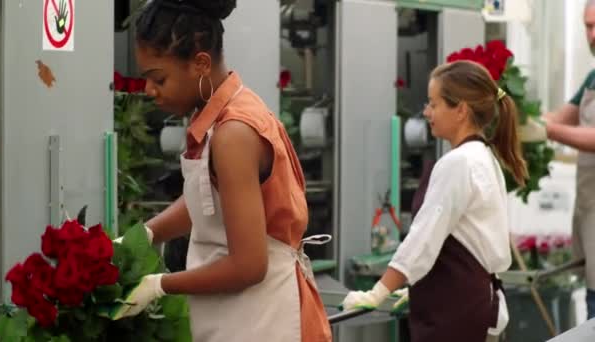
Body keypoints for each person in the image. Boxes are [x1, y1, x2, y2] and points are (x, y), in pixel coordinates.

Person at [112, 1, 333, 341]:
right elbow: (208, 198)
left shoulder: (233, 134)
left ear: (200, 63)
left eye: (159, 78)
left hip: (266, 321)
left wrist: (159, 285)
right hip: (242, 317)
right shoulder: (224, 116)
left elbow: (249, 266)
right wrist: (143, 236)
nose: (149, 91)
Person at [342, 60, 528, 341]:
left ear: (461, 110)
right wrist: (420, 286)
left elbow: (424, 237)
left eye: (434, 103)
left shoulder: (459, 162)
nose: (427, 112)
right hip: (472, 301)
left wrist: (378, 292)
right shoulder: (483, 156)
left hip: (457, 311)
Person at [537, 0, 595, 320]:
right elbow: (561, 118)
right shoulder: (592, 78)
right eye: (587, 26)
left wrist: (548, 130)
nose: (592, 34)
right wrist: (517, 121)